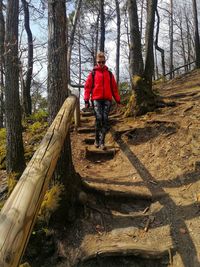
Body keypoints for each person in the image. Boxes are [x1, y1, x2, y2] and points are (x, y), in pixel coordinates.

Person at [84, 51, 121, 150]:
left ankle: (102, 142)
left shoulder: (109, 74)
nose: (101, 64)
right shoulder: (92, 73)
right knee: (99, 118)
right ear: (96, 62)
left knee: (105, 119)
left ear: (105, 62)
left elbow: (114, 88)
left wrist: (118, 100)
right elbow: (87, 87)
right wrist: (86, 100)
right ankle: (96, 138)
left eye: (103, 62)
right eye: (99, 62)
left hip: (107, 100)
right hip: (96, 99)